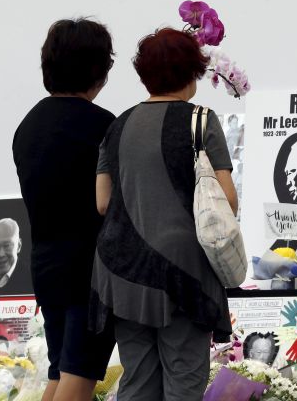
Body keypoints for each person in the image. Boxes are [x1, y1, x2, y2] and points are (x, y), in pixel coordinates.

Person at [92, 28, 238, 400]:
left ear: (145, 75)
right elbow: (226, 201)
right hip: (182, 272)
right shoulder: (200, 121)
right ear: (193, 70)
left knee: (137, 382)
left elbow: (103, 203)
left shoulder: (117, 125)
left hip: (121, 272)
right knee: (184, 380)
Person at [12, 18, 116, 401]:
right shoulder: (103, 126)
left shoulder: (29, 125)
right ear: (99, 70)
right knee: (80, 376)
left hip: (46, 264)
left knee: (60, 372)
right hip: (89, 270)